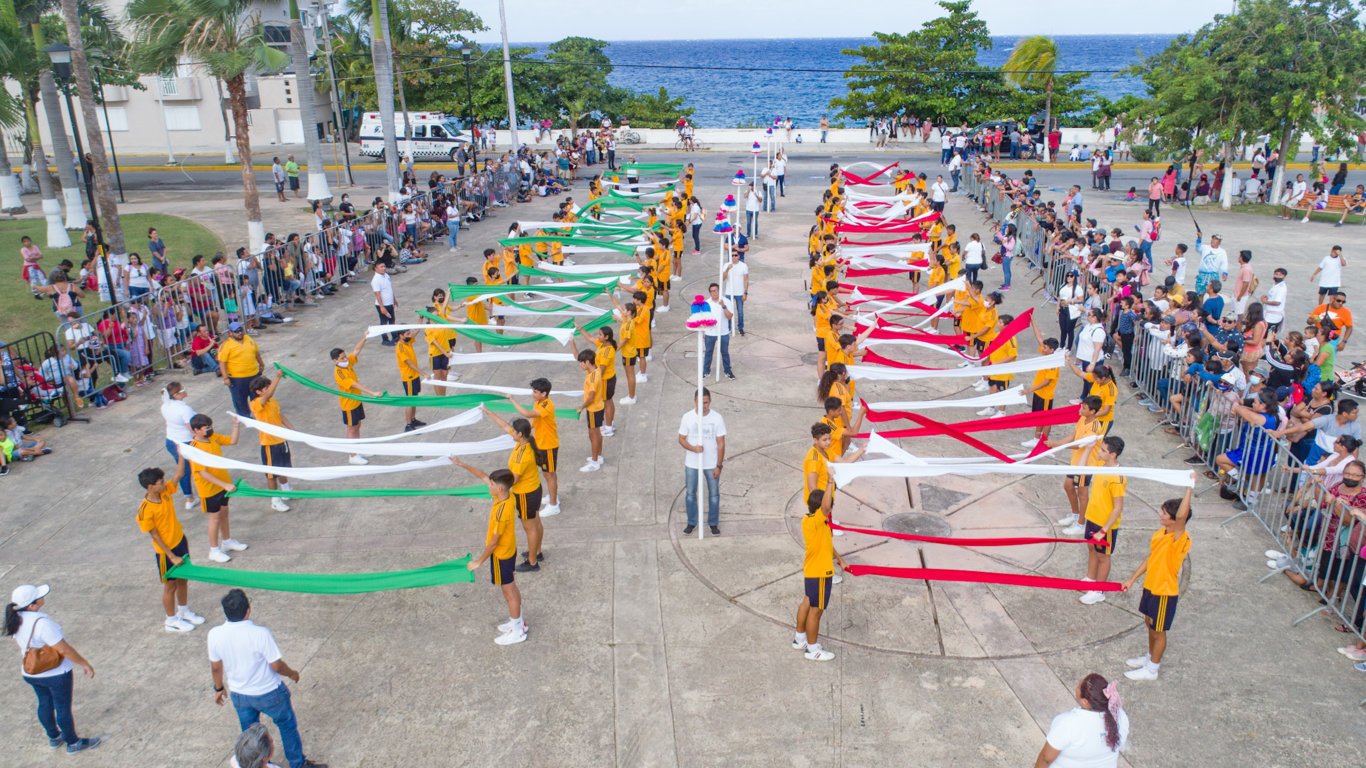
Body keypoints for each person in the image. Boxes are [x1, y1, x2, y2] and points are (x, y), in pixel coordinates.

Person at [208, 589, 327, 768]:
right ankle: (297, 763)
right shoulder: (260, 633)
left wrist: (219, 688)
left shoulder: (214, 634)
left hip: (240, 694)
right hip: (269, 691)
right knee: (286, 725)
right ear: (247, 610)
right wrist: (292, 673)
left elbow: (216, 667)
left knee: (251, 736)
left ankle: (258, 764)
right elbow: (276, 666)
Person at [4, 584, 101, 754]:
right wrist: (84, 663)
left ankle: (54, 737)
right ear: (32, 606)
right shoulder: (43, 624)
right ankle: (73, 743)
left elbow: (20, 644)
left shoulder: (14, 619)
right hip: (56, 674)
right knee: (63, 707)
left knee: (44, 702)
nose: (43, 597)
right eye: (39, 597)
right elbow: (64, 650)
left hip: (31, 672)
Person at [1121, 486, 1193, 681]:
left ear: (1175, 519)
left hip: (1164, 592)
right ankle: (1150, 657)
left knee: (1158, 631)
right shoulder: (1159, 534)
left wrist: (1189, 487)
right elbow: (1151, 558)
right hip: (1151, 587)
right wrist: (1132, 579)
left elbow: (1182, 516)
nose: (1160, 515)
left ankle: (1152, 669)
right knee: (1149, 623)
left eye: (1164, 513)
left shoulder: (1179, 539)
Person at [453, 465, 528, 645]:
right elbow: (483, 476)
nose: (489, 486)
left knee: (508, 592)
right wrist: (461, 463)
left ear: (499, 488)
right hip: (509, 551)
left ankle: (517, 631)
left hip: (502, 556)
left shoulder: (502, 511)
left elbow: (494, 542)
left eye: (491, 484)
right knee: (512, 589)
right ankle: (518, 623)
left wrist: (479, 561)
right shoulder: (507, 496)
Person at [137, 456, 207, 632]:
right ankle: (171, 620)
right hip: (166, 552)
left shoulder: (165, 492)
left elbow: (179, 474)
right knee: (170, 586)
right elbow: (155, 535)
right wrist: (171, 556)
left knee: (183, 579)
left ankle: (183, 610)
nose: (164, 483)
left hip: (180, 541)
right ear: (150, 487)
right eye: (160, 482)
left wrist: (181, 455)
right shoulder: (146, 510)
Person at [481, 407, 546, 571]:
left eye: (514, 432)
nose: (512, 433)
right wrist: (490, 412)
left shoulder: (521, 457)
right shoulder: (526, 441)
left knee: (530, 528)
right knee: (536, 522)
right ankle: (537, 552)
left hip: (525, 494)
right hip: (535, 489)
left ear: (520, 434)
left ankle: (532, 562)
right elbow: (505, 426)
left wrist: (498, 488)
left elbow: (513, 480)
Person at [187, 413, 248, 563]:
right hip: (209, 490)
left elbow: (232, 441)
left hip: (223, 486)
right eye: (206, 428)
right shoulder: (194, 449)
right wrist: (225, 485)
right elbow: (202, 473)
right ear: (196, 430)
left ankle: (227, 541)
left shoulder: (212, 437)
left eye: (210, 426)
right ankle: (213, 550)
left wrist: (235, 425)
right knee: (214, 518)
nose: (210, 429)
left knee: (224, 513)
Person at [794, 488, 845, 662]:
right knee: (816, 612)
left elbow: (827, 544)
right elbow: (825, 506)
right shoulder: (818, 519)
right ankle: (812, 649)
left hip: (811, 570)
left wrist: (841, 560)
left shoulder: (810, 520)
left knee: (807, 602)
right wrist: (830, 481)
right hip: (821, 573)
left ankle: (800, 638)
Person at [1035, 673, 1129, 767]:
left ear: (1085, 702)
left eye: (1079, 687)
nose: (1077, 684)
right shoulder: (1120, 716)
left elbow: (1045, 759)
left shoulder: (1068, 723)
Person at [1078, 436, 1126, 605]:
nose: (1099, 452)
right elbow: (1080, 468)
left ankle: (1099, 591)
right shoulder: (1100, 466)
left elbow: (1118, 508)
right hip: (1092, 517)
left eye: (1103, 450)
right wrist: (1089, 448)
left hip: (1105, 524)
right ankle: (1091, 579)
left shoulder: (1117, 477)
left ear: (1113, 455)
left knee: (1103, 556)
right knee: (1091, 548)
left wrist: (1104, 530)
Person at [502, 378, 560, 517]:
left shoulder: (547, 406)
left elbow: (528, 414)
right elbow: (533, 422)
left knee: (549, 475)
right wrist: (521, 430)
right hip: (541, 444)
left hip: (548, 445)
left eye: (535, 392)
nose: (532, 394)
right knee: (547, 474)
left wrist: (512, 400)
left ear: (544, 393)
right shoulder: (539, 403)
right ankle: (552, 495)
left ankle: (554, 504)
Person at [679, 388, 727, 535]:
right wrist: (693, 448)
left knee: (714, 494)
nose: (703, 406)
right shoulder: (687, 417)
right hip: (692, 463)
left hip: (711, 463)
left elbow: (721, 443)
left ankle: (713, 523)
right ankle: (692, 522)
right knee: (690, 493)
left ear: (710, 401)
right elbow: (681, 438)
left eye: (706, 403)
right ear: (694, 401)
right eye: (700, 403)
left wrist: (719, 465)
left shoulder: (717, 418)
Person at [332, 334, 381, 465]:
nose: (345, 359)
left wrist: (365, 338)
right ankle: (352, 455)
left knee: (358, 425)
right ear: (335, 361)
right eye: (342, 358)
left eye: (345, 356)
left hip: (357, 401)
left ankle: (358, 449)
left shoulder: (347, 364)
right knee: (351, 428)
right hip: (349, 404)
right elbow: (354, 385)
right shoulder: (339, 373)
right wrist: (372, 393)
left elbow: (356, 350)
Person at [248, 371, 294, 511]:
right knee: (271, 473)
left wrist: (292, 430)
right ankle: (275, 500)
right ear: (258, 392)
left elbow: (280, 415)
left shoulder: (272, 401)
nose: (270, 390)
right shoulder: (256, 403)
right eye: (266, 388)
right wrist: (277, 377)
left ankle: (286, 490)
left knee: (284, 468)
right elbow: (267, 396)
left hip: (281, 441)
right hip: (269, 444)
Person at [160, 382, 197, 503]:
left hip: (171, 441)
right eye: (183, 389)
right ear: (176, 395)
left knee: (183, 470)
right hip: (186, 442)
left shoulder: (165, 406)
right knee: (199, 467)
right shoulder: (185, 409)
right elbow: (192, 428)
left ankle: (189, 497)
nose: (185, 390)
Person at [218, 321, 264, 417]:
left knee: (257, 398)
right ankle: (245, 417)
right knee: (240, 400)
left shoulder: (249, 339)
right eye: (236, 331)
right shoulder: (226, 345)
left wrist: (261, 364)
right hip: (237, 379)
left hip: (254, 375)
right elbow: (222, 363)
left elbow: (256, 352)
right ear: (230, 333)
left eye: (241, 330)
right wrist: (225, 378)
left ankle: (260, 416)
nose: (240, 332)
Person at [576, 348, 606, 472]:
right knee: (596, 433)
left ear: (587, 362)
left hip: (593, 409)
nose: (580, 365)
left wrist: (581, 407)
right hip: (598, 407)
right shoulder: (594, 370)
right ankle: (598, 456)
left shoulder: (593, 377)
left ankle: (594, 462)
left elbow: (591, 397)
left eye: (581, 363)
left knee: (593, 436)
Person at [702, 282, 736, 380]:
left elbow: (729, 316)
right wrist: (704, 332)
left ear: (719, 291)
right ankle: (706, 371)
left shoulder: (726, 301)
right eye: (712, 291)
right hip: (710, 332)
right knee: (708, 352)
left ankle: (728, 371)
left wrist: (723, 306)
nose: (715, 293)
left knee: (725, 353)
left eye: (716, 290)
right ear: (710, 293)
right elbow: (704, 318)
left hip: (723, 332)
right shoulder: (706, 303)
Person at [394, 328, 425, 431]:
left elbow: (416, 331)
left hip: (414, 376)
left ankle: (413, 419)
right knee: (409, 401)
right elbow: (409, 363)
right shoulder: (400, 348)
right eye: (407, 334)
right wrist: (423, 374)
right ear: (401, 335)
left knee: (414, 398)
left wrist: (420, 320)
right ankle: (408, 425)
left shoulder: (408, 342)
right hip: (409, 378)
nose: (410, 335)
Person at [722, 250, 749, 336]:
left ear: (738, 256)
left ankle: (740, 328)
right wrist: (727, 269)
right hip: (729, 291)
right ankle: (728, 327)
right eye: (732, 255)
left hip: (739, 292)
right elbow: (723, 278)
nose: (733, 257)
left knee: (740, 311)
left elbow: (746, 279)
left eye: (735, 255)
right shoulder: (726, 265)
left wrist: (745, 292)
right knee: (728, 310)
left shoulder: (743, 266)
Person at [371, 260, 397, 346]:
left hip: (389, 302)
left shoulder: (386, 275)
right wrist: (382, 307)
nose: (383, 268)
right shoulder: (376, 280)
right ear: (376, 268)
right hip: (383, 304)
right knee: (384, 322)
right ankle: (385, 339)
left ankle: (395, 336)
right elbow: (377, 294)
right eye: (381, 267)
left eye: (384, 266)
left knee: (392, 320)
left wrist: (394, 300)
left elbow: (390, 289)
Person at [1262, 267, 1288, 333]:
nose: (1278, 276)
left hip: (1273, 317)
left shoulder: (1281, 288)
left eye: (1280, 275)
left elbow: (1277, 302)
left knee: (1268, 335)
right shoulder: (1275, 284)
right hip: (1269, 315)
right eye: (1276, 274)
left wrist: (1265, 302)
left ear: (1284, 276)